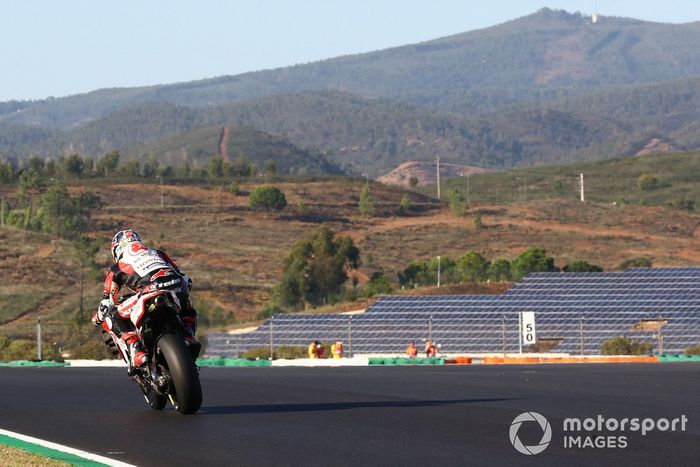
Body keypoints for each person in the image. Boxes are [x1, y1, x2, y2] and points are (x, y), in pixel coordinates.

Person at [92, 229, 199, 369]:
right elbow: (186, 279)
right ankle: (188, 337)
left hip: (149, 291)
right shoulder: (159, 253)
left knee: (112, 316)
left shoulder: (116, 268)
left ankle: (135, 349)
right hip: (176, 287)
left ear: (116, 250)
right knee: (188, 310)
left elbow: (107, 303)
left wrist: (96, 319)